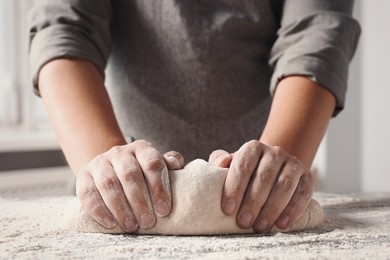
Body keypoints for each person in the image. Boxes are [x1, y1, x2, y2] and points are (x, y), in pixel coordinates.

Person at [28, 0, 360, 233]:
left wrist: (271, 172)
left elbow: (317, 34)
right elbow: (63, 28)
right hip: (120, 175)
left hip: (268, 167)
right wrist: (103, 163)